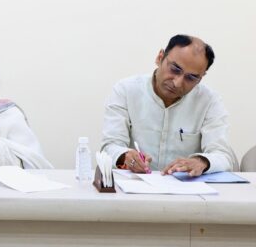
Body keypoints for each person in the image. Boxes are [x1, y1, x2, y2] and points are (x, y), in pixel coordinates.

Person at [100, 34, 237, 176]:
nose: (177, 83)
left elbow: (223, 156)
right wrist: (125, 156)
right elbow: (110, 146)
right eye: (175, 69)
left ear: (201, 78)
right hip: (135, 182)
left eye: (191, 77)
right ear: (160, 58)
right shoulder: (126, 90)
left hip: (186, 186)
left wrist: (201, 161)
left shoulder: (209, 101)